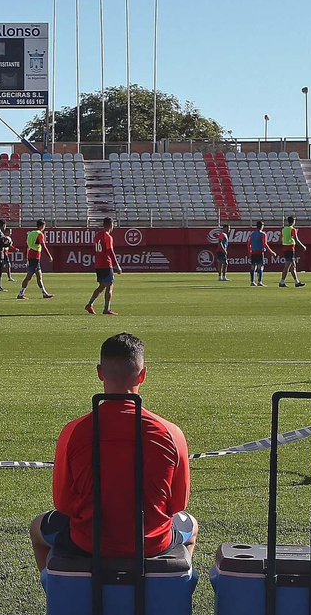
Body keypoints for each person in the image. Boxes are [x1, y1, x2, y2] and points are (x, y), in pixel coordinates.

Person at [28, 333, 197, 569]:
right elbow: (178, 504)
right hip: (152, 543)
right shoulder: (171, 432)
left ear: (99, 373)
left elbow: (63, 504)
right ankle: (176, 584)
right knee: (191, 525)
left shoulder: (74, 431)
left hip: (87, 542)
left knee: (38, 528)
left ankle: (55, 592)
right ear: (143, 374)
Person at [84, 217, 121, 315]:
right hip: (106, 264)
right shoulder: (107, 237)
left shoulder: (97, 236)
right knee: (110, 286)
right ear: (110, 225)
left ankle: (90, 304)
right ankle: (107, 308)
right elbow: (110, 251)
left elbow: (95, 250)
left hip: (98, 264)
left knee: (101, 286)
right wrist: (117, 265)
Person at [17, 220, 54, 299]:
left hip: (31, 256)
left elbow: (26, 246)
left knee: (37, 276)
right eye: (44, 226)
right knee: (31, 277)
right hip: (35, 256)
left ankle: (44, 293)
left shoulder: (30, 233)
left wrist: (26, 257)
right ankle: (21, 294)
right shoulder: (39, 234)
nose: (44, 227)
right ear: (41, 226)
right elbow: (43, 246)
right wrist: (49, 256)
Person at [277, 215, 307, 288]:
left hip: (285, 248)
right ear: (293, 222)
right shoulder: (292, 229)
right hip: (290, 248)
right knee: (288, 266)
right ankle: (282, 282)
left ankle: (296, 282)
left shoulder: (284, 229)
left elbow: (279, 239)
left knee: (293, 266)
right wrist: (302, 246)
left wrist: (285, 241)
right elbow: (296, 239)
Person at [246, 220, 276, 287]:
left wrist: (249, 252)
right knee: (260, 267)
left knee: (253, 267)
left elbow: (248, 243)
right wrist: (271, 252)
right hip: (260, 252)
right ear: (262, 226)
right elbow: (265, 244)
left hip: (253, 252)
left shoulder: (252, 234)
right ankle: (260, 282)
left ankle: (252, 281)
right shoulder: (263, 234)